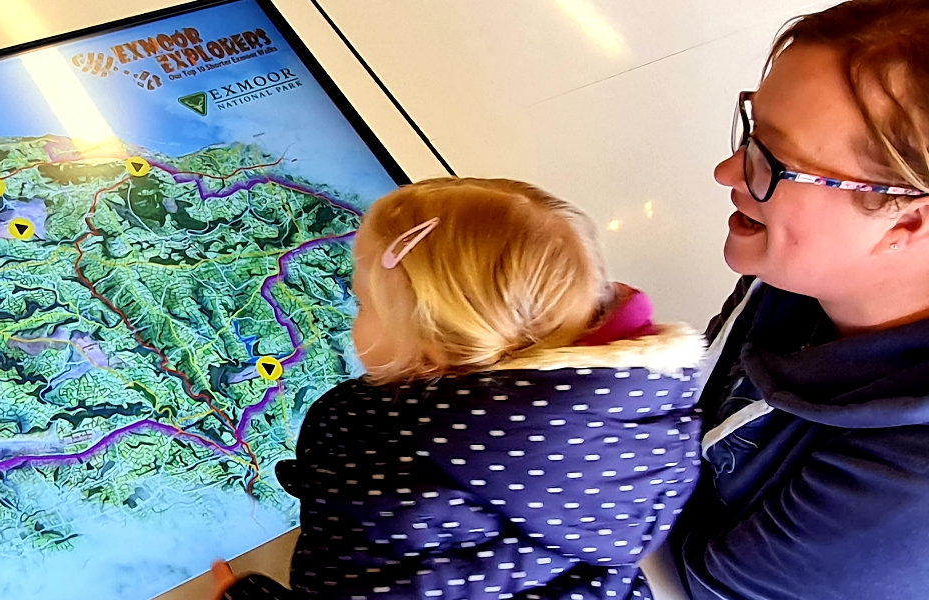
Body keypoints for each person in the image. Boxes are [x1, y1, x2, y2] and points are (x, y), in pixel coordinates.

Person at [212, 177, 706, 600]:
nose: (352, 316)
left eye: (363, 303)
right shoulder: (619, 448)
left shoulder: (390, 483)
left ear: (435, 351)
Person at [667, 2, 929, 599]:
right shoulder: (794, 279)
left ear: (910, 223)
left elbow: (701, 592)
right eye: (750, 134)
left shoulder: (912, 482)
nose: (727, 170)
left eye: (774, 162)